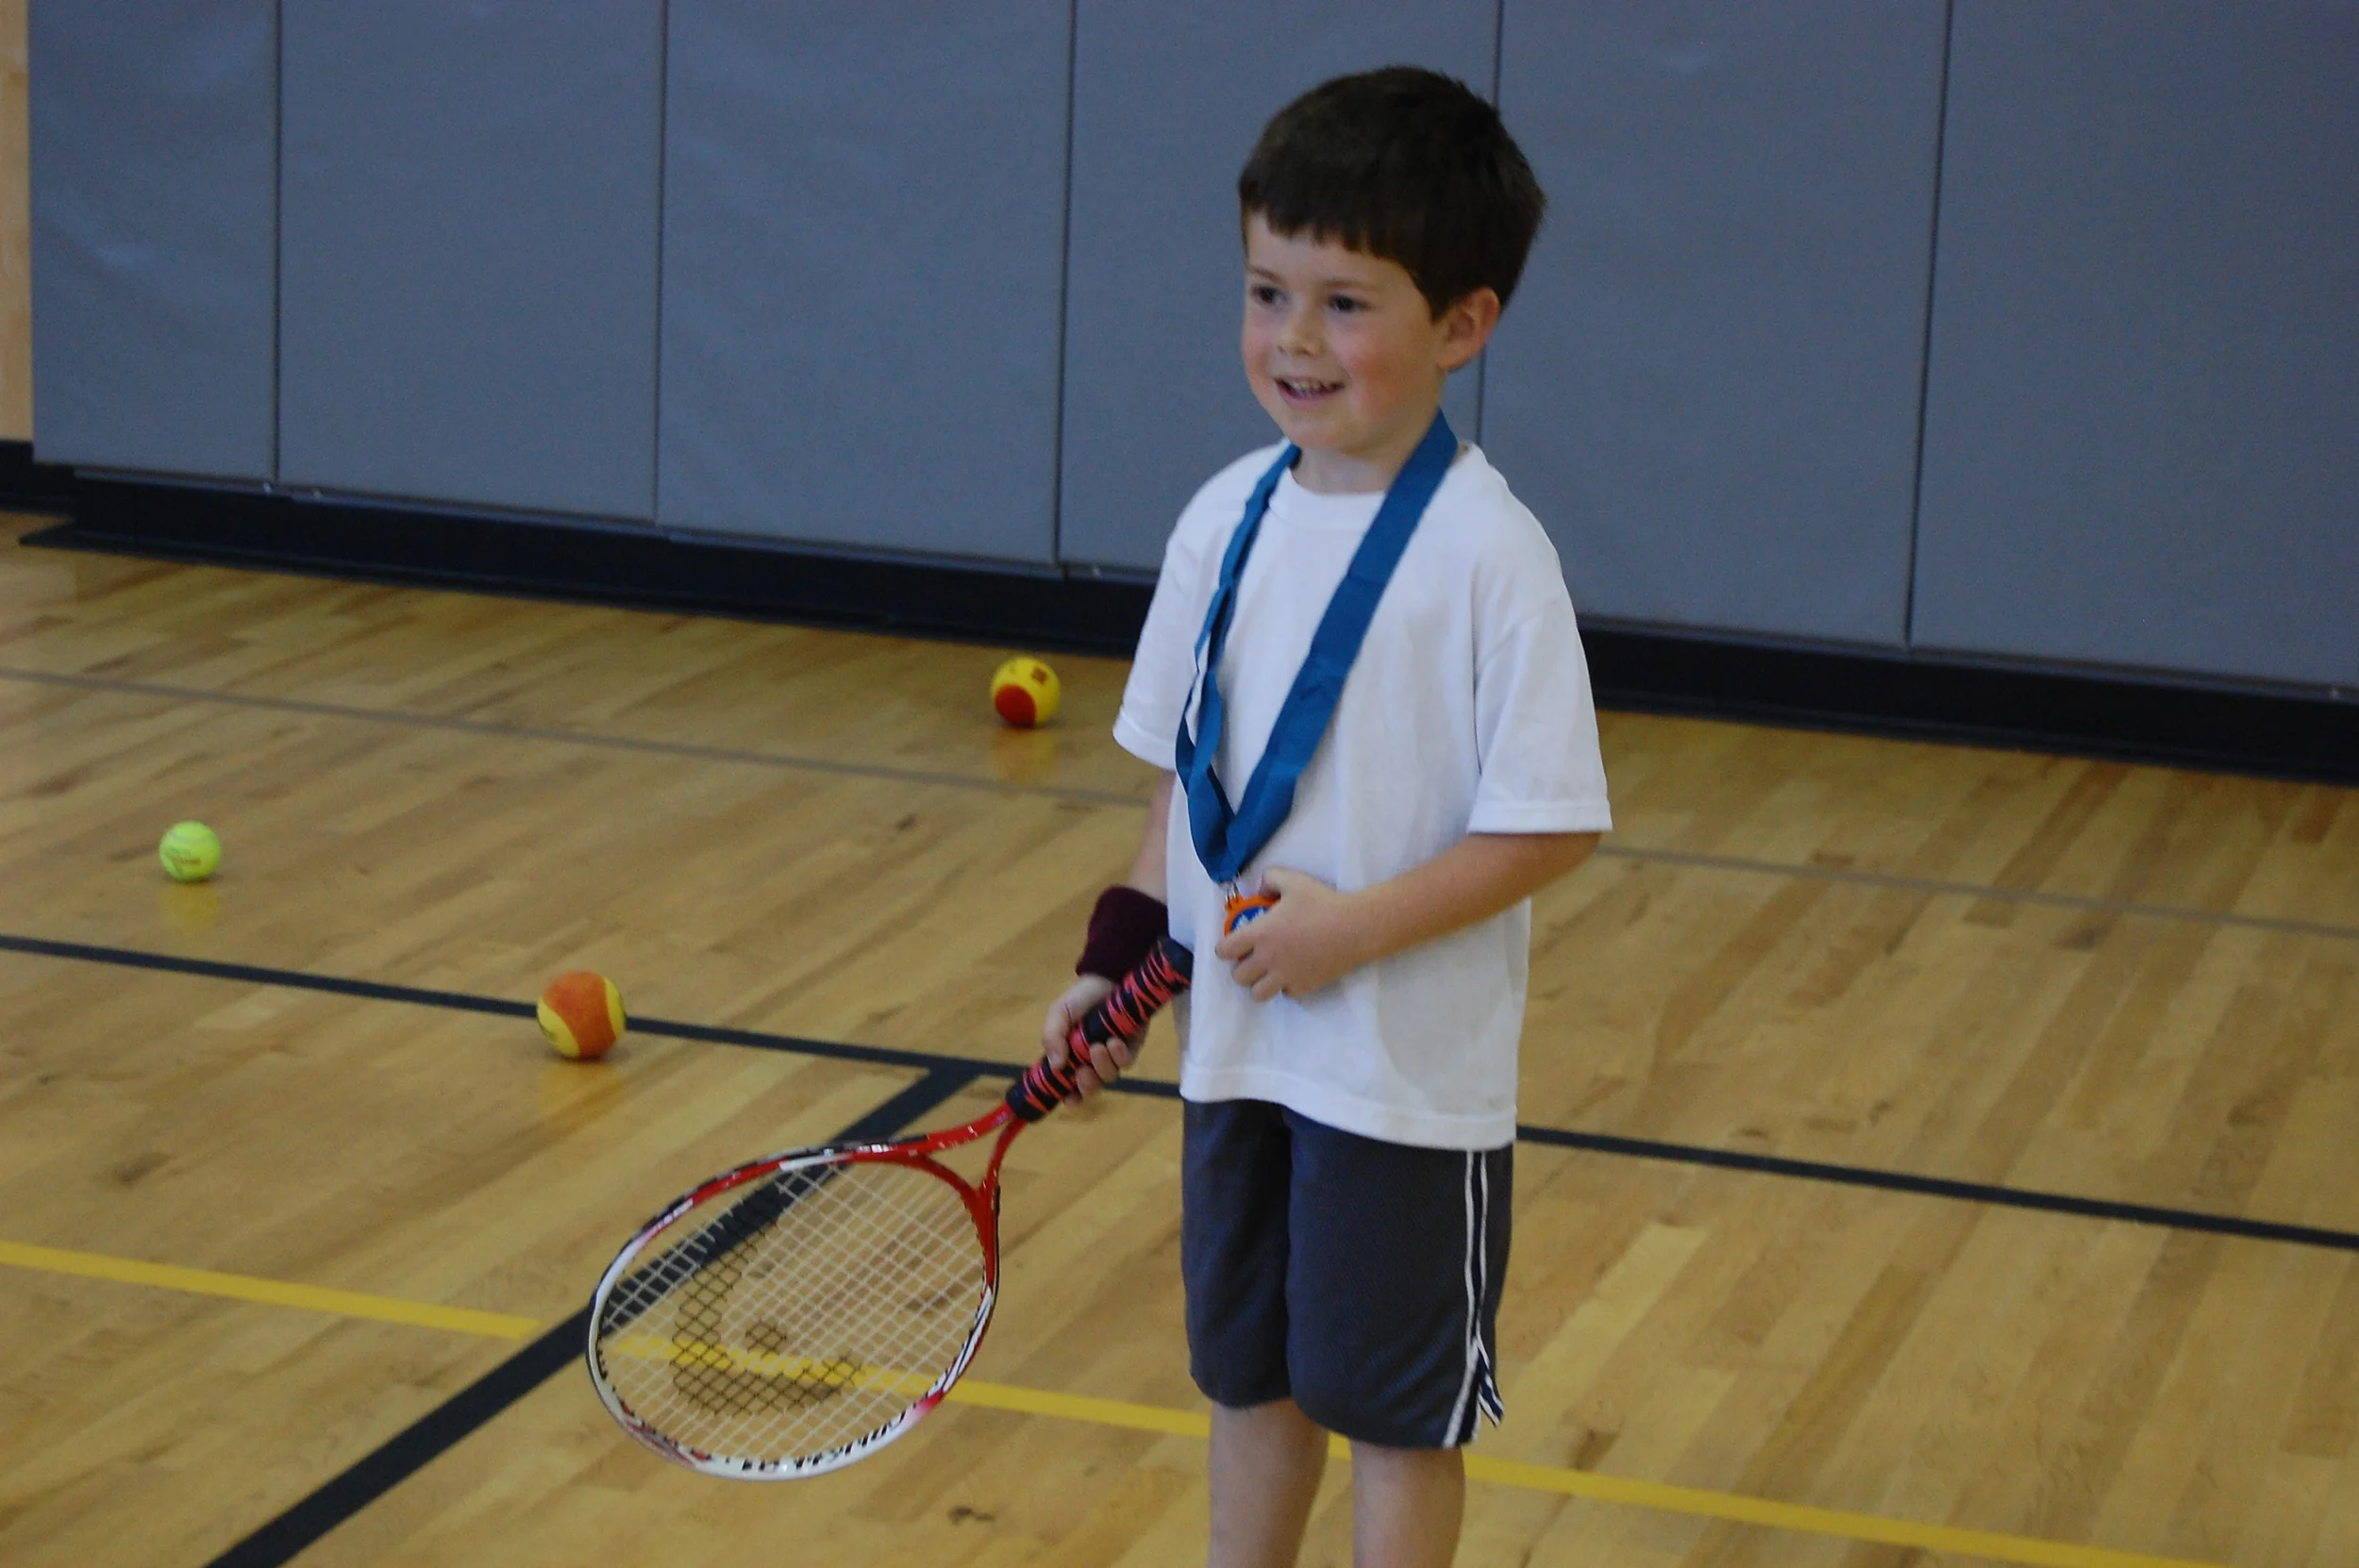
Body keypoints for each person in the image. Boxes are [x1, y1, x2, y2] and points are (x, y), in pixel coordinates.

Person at [1041, 65, 1612, 1568]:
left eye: (1345, 302)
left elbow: (1552, 823)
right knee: (1250, 1374)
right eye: (1266, 290)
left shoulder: (1492, 552)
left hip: (1403, 1086)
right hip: (1239, 1057)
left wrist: (1350, 931)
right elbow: (1189, 786)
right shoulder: (1218, 519)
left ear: (1463, 325)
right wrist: (1115, 963)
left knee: (1398, 1414)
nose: (1293, 340)